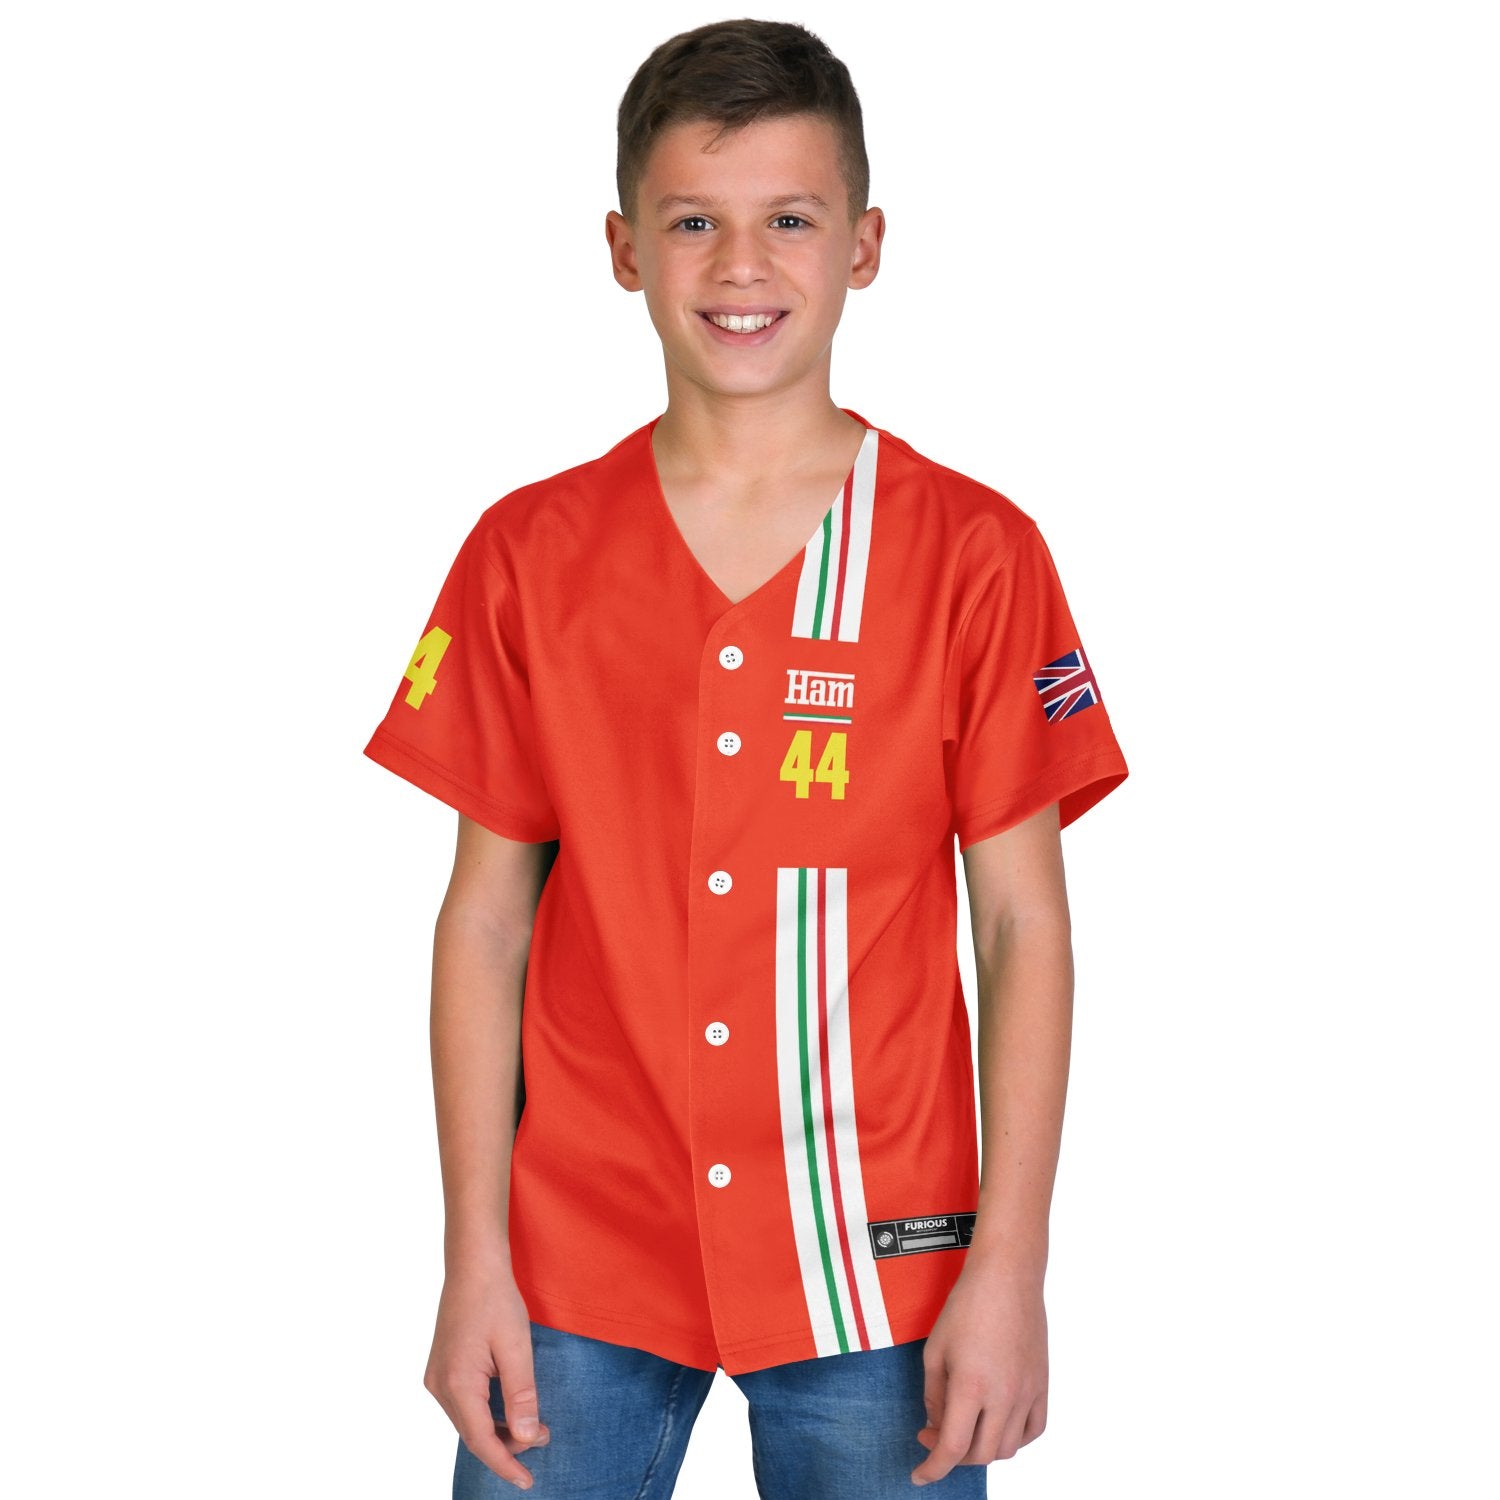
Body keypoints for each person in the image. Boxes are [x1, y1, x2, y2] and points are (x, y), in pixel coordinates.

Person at [362, 17, 1129, 1497]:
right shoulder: (529, 552)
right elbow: (485, 920)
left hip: (880, 1259)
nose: (739, 266)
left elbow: (1022, 926)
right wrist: (471, 1259)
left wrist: (1012, 1266)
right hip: (580, 1249)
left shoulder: (974, 553)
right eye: (691, 222)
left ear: (865, 245)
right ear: (621, 249)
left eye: (790, 219)